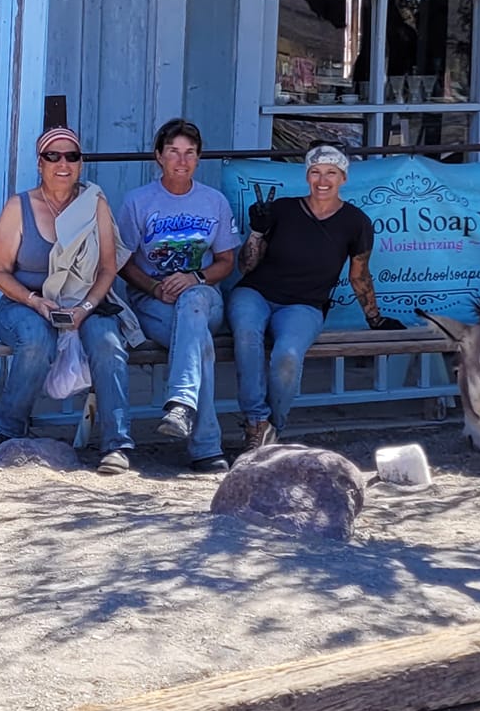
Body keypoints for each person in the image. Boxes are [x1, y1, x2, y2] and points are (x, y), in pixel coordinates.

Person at [0, 125, 135, 474]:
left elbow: (108, 268)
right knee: (36, 340)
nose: (62, 163)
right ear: (40, 163)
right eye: (53, 156)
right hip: (25, 302)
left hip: (84, 299)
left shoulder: (93, 203)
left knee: (108, 343)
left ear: (81, 163)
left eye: (71, 156)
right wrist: (35, 302)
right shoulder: (19, 206)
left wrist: (84, 308)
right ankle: (7, 429)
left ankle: (117, 444)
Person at [230, 143, 402, 451]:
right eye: (315, 172)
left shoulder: (356, 222)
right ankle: (256, 422)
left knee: (287, 357)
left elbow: (359, 273)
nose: (323, 180)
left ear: (343, 178)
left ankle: (273, 427)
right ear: (306, 176)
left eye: (331, 173)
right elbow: (246, 266)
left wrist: (374, 318)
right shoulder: (282, 208)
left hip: (304, 304)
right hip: (256, 292)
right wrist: (256, 232)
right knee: (246, 334)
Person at [117, 117, 240, 476]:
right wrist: (155, 287)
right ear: (159, 156)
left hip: (204, 297)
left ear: (199, 158)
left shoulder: (213, 201)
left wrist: (194, 276)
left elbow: (227, 261)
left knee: (194, 303)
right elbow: (122, 262)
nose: (182, 161)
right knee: (197, 340)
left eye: (190, 153)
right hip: (152, 302)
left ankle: (182, 402)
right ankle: (205, 447)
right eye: (173, 152)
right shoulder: (137, 201)